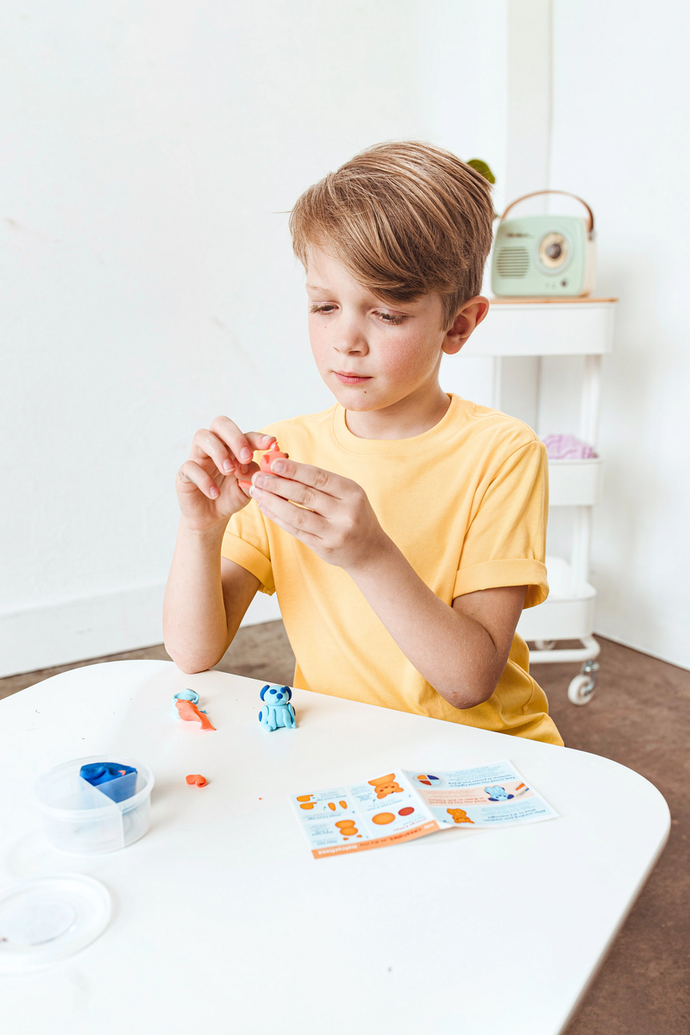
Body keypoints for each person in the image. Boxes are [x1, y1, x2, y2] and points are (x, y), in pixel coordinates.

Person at [163, 141, 563, 746]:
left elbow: (469, 681)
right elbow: (193, 653)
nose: (346, 340)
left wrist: (370, 554)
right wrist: (201, 530)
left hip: (485, 752)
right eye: (325, 306)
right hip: (346, 754)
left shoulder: (502, 453)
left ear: (458, 325)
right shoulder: (285, 454)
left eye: (388, 314)